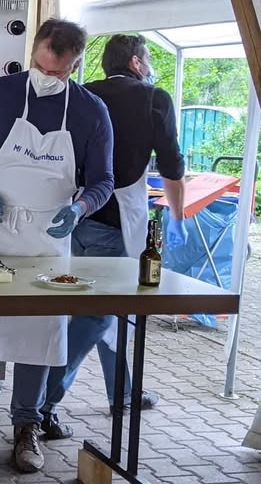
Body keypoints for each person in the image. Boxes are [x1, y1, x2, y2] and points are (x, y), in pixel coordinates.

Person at [0, 18, 115, 481]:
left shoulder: (90, 111)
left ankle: (27, 427)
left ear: (74, 66)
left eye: (56, 72)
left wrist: (80, 209)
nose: (46, 76)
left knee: (39, 336)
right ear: (33, 50)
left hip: (47, 242)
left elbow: (103, 181)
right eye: (40, 65)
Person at [40, 34, 186, 440]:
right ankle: (40, 406)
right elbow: (172, 166)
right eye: (148, 57)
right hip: (114, 221)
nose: (151, 64)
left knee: (107, 310)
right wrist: (177, 215)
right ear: (137, 63)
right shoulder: (153, 99)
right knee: (97, 314)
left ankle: (123, 392)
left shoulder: (80, 93)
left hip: (70, 216)